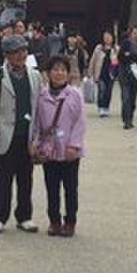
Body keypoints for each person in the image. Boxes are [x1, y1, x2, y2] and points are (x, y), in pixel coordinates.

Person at [0, 34, 41, 234]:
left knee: (26, 177)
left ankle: (24, 216)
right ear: (6, 55)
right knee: (3, 177)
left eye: (23, 51)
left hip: (26, 133)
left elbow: (39, 105)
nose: (20, 55)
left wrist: (40, 135)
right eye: (15, 52)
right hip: (4, 132)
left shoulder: (35, 76)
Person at [30, 55, 86, 237]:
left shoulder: (75, 94)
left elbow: (80, 122)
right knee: (51, 187)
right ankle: (54, 220)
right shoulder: (42, 96)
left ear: (68, 74)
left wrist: (74, 145)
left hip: (69, 149)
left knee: (70, 187)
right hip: (49, 150)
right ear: (48, 73)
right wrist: (36, 142)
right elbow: (37, 122)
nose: (59, 73)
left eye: (63, 70)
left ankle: (70, 221)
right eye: (55, 69)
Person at [117, 25, 137, 130]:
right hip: (125, 76)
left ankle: (130, 117)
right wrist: (133, 56)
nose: (136, 35)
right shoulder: (125, 44)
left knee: (133, 100)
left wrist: (130, 55)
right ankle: (127, 121)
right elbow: (121, 57)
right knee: (126, 98)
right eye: (135, 33)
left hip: (136, 78)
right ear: (131, 34)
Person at [89, 30, 117, 118]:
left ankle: (106, 107)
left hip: (111, 74)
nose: (107, 38)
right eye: (106, 37)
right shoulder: (99, 48)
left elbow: (117, 62)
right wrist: (90, 72)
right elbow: (93, 60)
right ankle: (101, 107)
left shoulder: (115, 49)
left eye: (109, 37)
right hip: (100, 73)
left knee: (108, 92)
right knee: (102, 90)